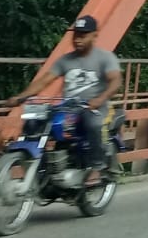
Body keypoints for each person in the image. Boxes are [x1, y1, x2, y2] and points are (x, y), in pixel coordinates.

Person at [10, 15, 122, 185]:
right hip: (69, 106)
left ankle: (97, 167)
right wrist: (21, 96)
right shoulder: (65, 60)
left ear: (94, 35)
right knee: (35, 121)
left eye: (83, 35)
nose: (77, 39)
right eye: (75, 35)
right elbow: (44, 81)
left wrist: (100, 99)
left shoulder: (105, 58)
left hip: (95, 107)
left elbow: (115, 81)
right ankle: (43, 168)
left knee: (93, 124)